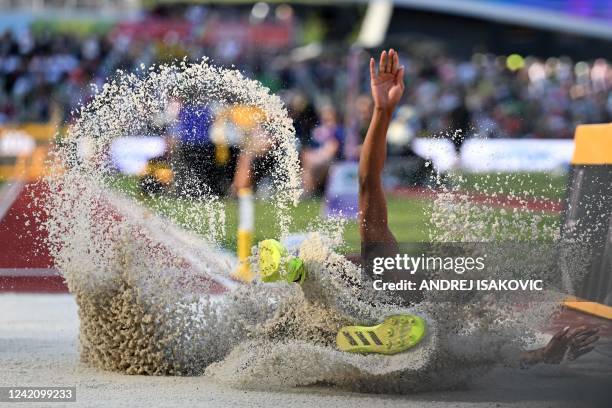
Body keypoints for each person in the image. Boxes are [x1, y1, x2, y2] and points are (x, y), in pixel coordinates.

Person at [257, 49, 599, 364]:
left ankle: (336, 314)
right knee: (328, 279)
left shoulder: (454, 317)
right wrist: (382, 111)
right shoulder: (390, 263)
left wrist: (545, 354)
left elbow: (494, 356)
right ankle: (296, 271)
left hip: (374, 332)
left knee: (432, 340)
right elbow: (367, 182)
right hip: (321, 302)